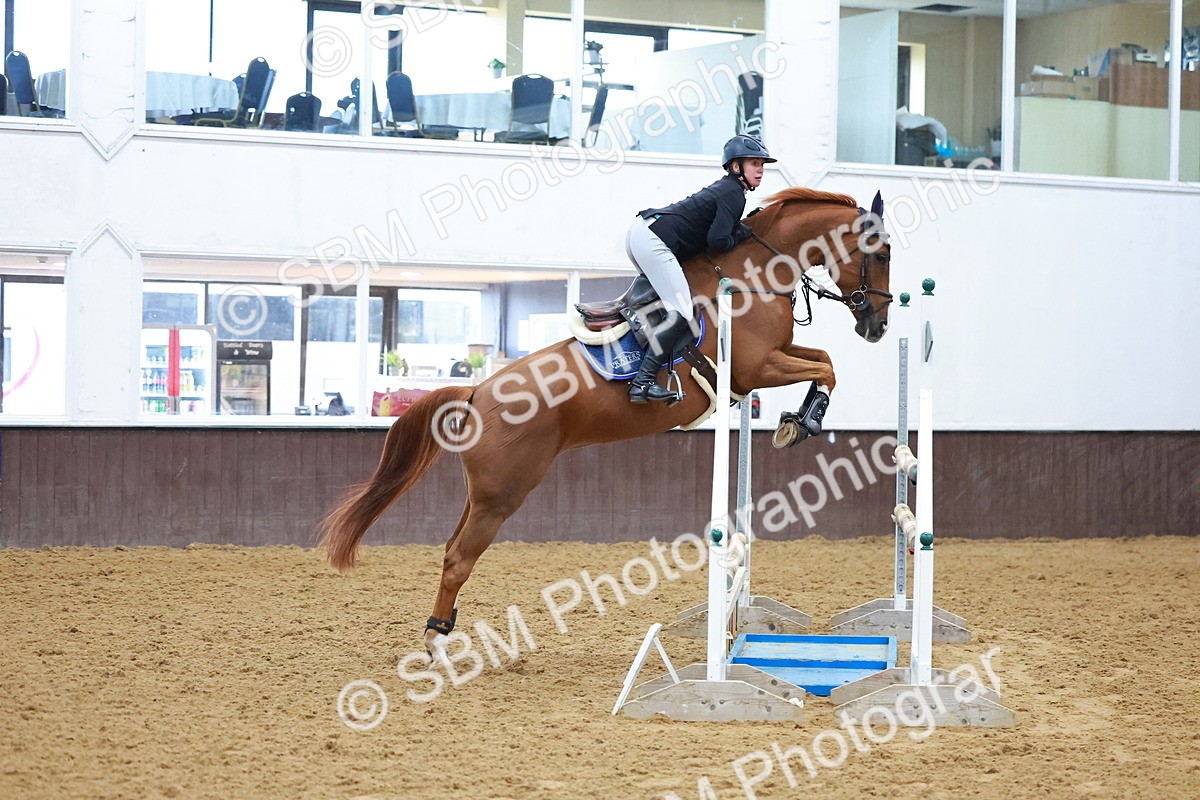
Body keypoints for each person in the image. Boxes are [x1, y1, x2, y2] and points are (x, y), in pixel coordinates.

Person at [625, 134, 776, 403]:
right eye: (754, 163)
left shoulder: (728, 189)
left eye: (762, 164)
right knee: (682, 310)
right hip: (653, 240)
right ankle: (643, 383)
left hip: (642, 233)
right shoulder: (733, 193)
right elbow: (717, 241)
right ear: (735, 166)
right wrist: (740, 234)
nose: (760, 170)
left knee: (669, 300)